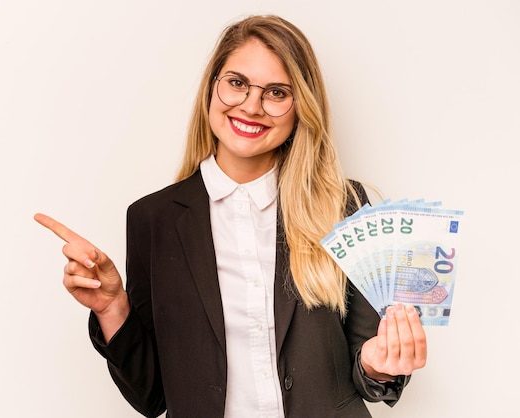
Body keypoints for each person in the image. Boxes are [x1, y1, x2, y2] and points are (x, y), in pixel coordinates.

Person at [35, 14, 427, 418]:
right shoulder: (153, 219)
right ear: (212, 89)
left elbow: (369, 368)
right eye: (237, 83)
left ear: (300, 109)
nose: (252, 106)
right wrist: (112, 308)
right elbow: (152, 398)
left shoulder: (344, 205)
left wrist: (376, 363)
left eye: (276, 92)